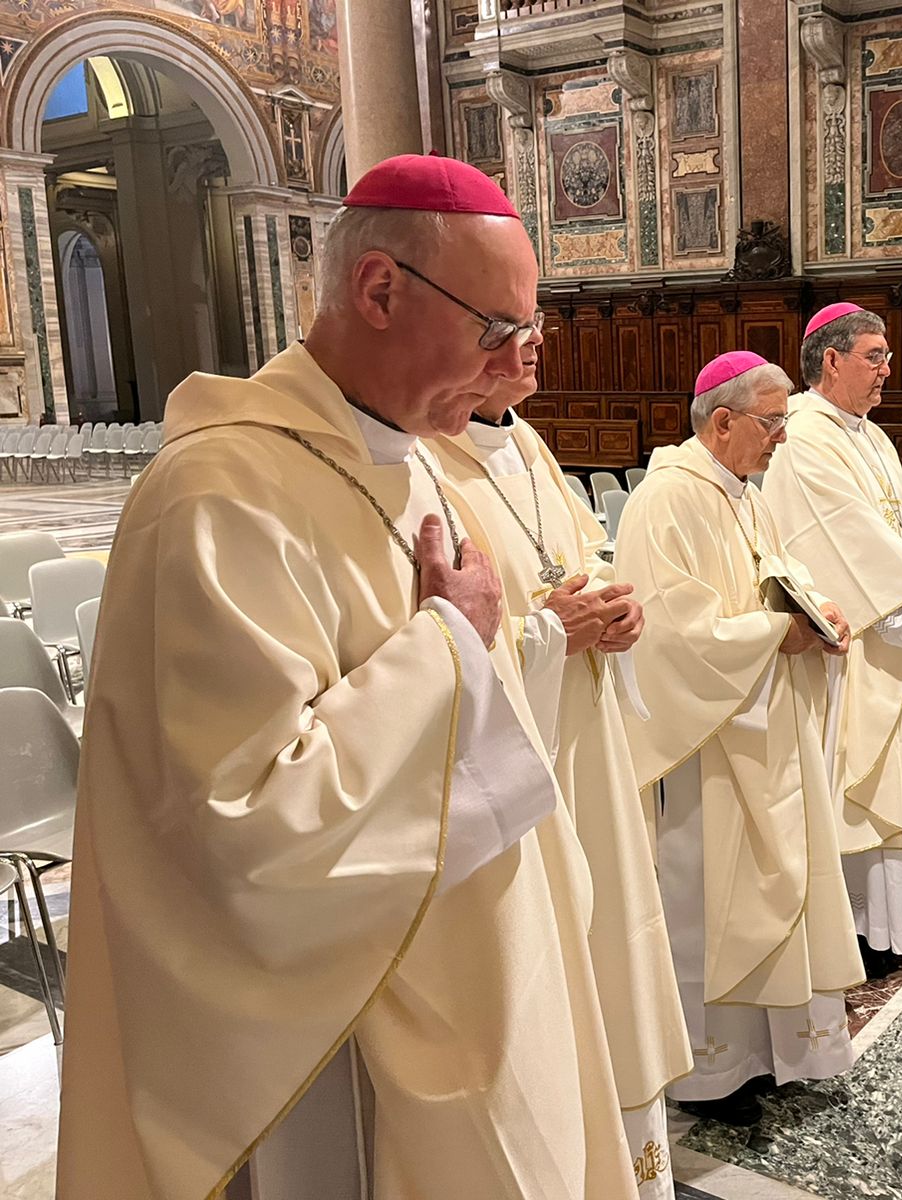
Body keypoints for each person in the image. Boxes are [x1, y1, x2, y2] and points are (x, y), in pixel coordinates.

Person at [57, 155, 636, 1199]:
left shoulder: (415, 461)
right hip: (338, 1027)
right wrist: (450, 643)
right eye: (495, 329)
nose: (510, 364)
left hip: (479, 959)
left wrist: (506, 642)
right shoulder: (219, 491)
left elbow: (487, 683)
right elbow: (242, 820)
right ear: (379, 290)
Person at [428, 336, 693, 1193]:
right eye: (512, 324)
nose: (537, 338)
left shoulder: (529, 444)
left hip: (587, 729)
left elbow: (582, 553)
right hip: (524, 751)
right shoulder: (428, 465)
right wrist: (548, 635)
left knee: (610, 924)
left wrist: (616, 607)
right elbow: (441, 643)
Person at [614, 351, 862, 1128]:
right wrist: (775, 633)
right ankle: (711, 1070)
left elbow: (775, 577)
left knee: (771, 885)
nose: (784, 437)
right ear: (723, 422)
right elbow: (672, 632)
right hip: (709, 746)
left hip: (764, 725)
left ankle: (768, 1052)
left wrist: (816, 610)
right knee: (710, 897)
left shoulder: (743, 495)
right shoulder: (666, 499)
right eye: (772, 422)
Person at [762, 303, 902, 981]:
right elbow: (841, 534)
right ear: (832, 359)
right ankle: (853, 929)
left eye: (888, 357)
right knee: (854, 781)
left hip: (895, 630)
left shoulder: (870, 435)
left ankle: (890, 923)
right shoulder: (803, 434)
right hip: (852, 642)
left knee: (895, 775)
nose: (886, 369)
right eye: (874, 356)